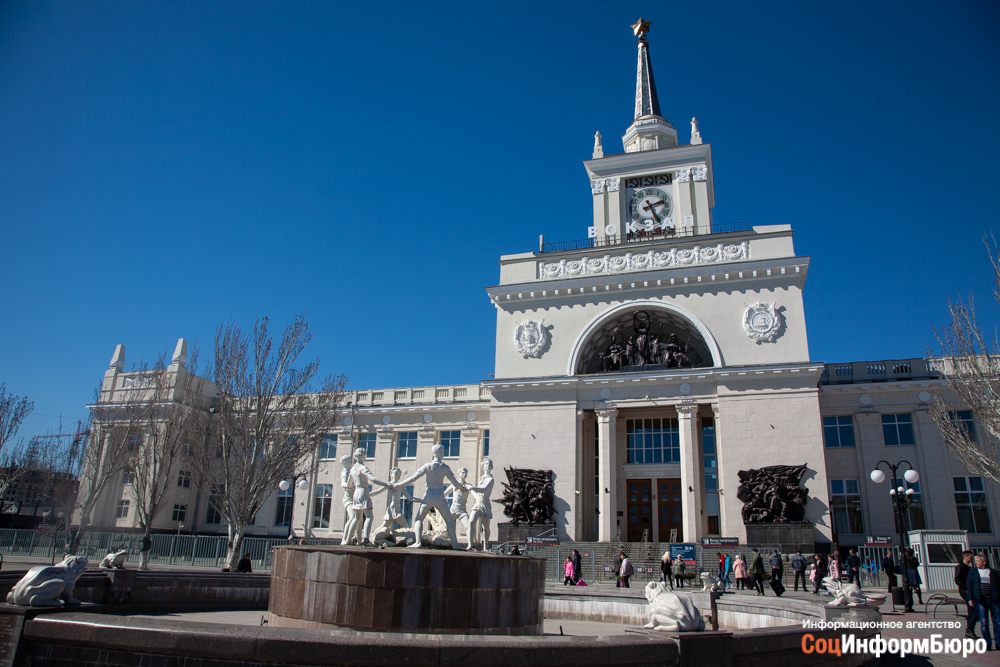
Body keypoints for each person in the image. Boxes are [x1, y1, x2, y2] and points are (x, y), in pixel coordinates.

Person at [395, 444, 468, 549]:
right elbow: (456, 484)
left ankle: (418, 542)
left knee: (419, 519)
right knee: (448, 520)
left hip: (429, 494)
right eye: (442, 452)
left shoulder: (427, 466)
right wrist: (462, 488)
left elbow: (413, 478)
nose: (444, 453)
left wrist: (399, 484)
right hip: (439, 494)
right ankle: (455, 544)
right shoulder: (445, 467)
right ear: (438, 453)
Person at [968, 553, 1000, 651]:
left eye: (978, 561)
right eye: (975, 561)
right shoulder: (973, 572)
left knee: (997, 622)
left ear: (984, 562)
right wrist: (970, 599)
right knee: (984, 622)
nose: (976, 563)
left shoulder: (993, 572)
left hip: (994, 600)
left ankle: (998, 643)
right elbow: (969, 586)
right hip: (981, 600)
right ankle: (987, 643)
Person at [465, 459, 495, 551]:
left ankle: (485, 546)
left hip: (485, 503)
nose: (488, 465)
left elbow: (484, 489)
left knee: (485, 528)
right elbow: (477, 492)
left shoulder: (491, 479)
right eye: (486, 464)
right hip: (478, 502)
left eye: (490, 464)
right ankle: (470, 544)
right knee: (471, 521)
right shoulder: (481, 478)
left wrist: (472, 487)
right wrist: (471, 490)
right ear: (483, 466)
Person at [955, 550, 978, 640]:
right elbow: (958, 580)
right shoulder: (960, 567)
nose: (972, 559)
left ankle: (970, 630)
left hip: (971, 591)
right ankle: (969, 630)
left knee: (973, 611)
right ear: (966, 557)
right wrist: (967, 587)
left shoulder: (969, 567)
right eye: (971, 557)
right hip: (966, 591)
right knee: (973, 610)